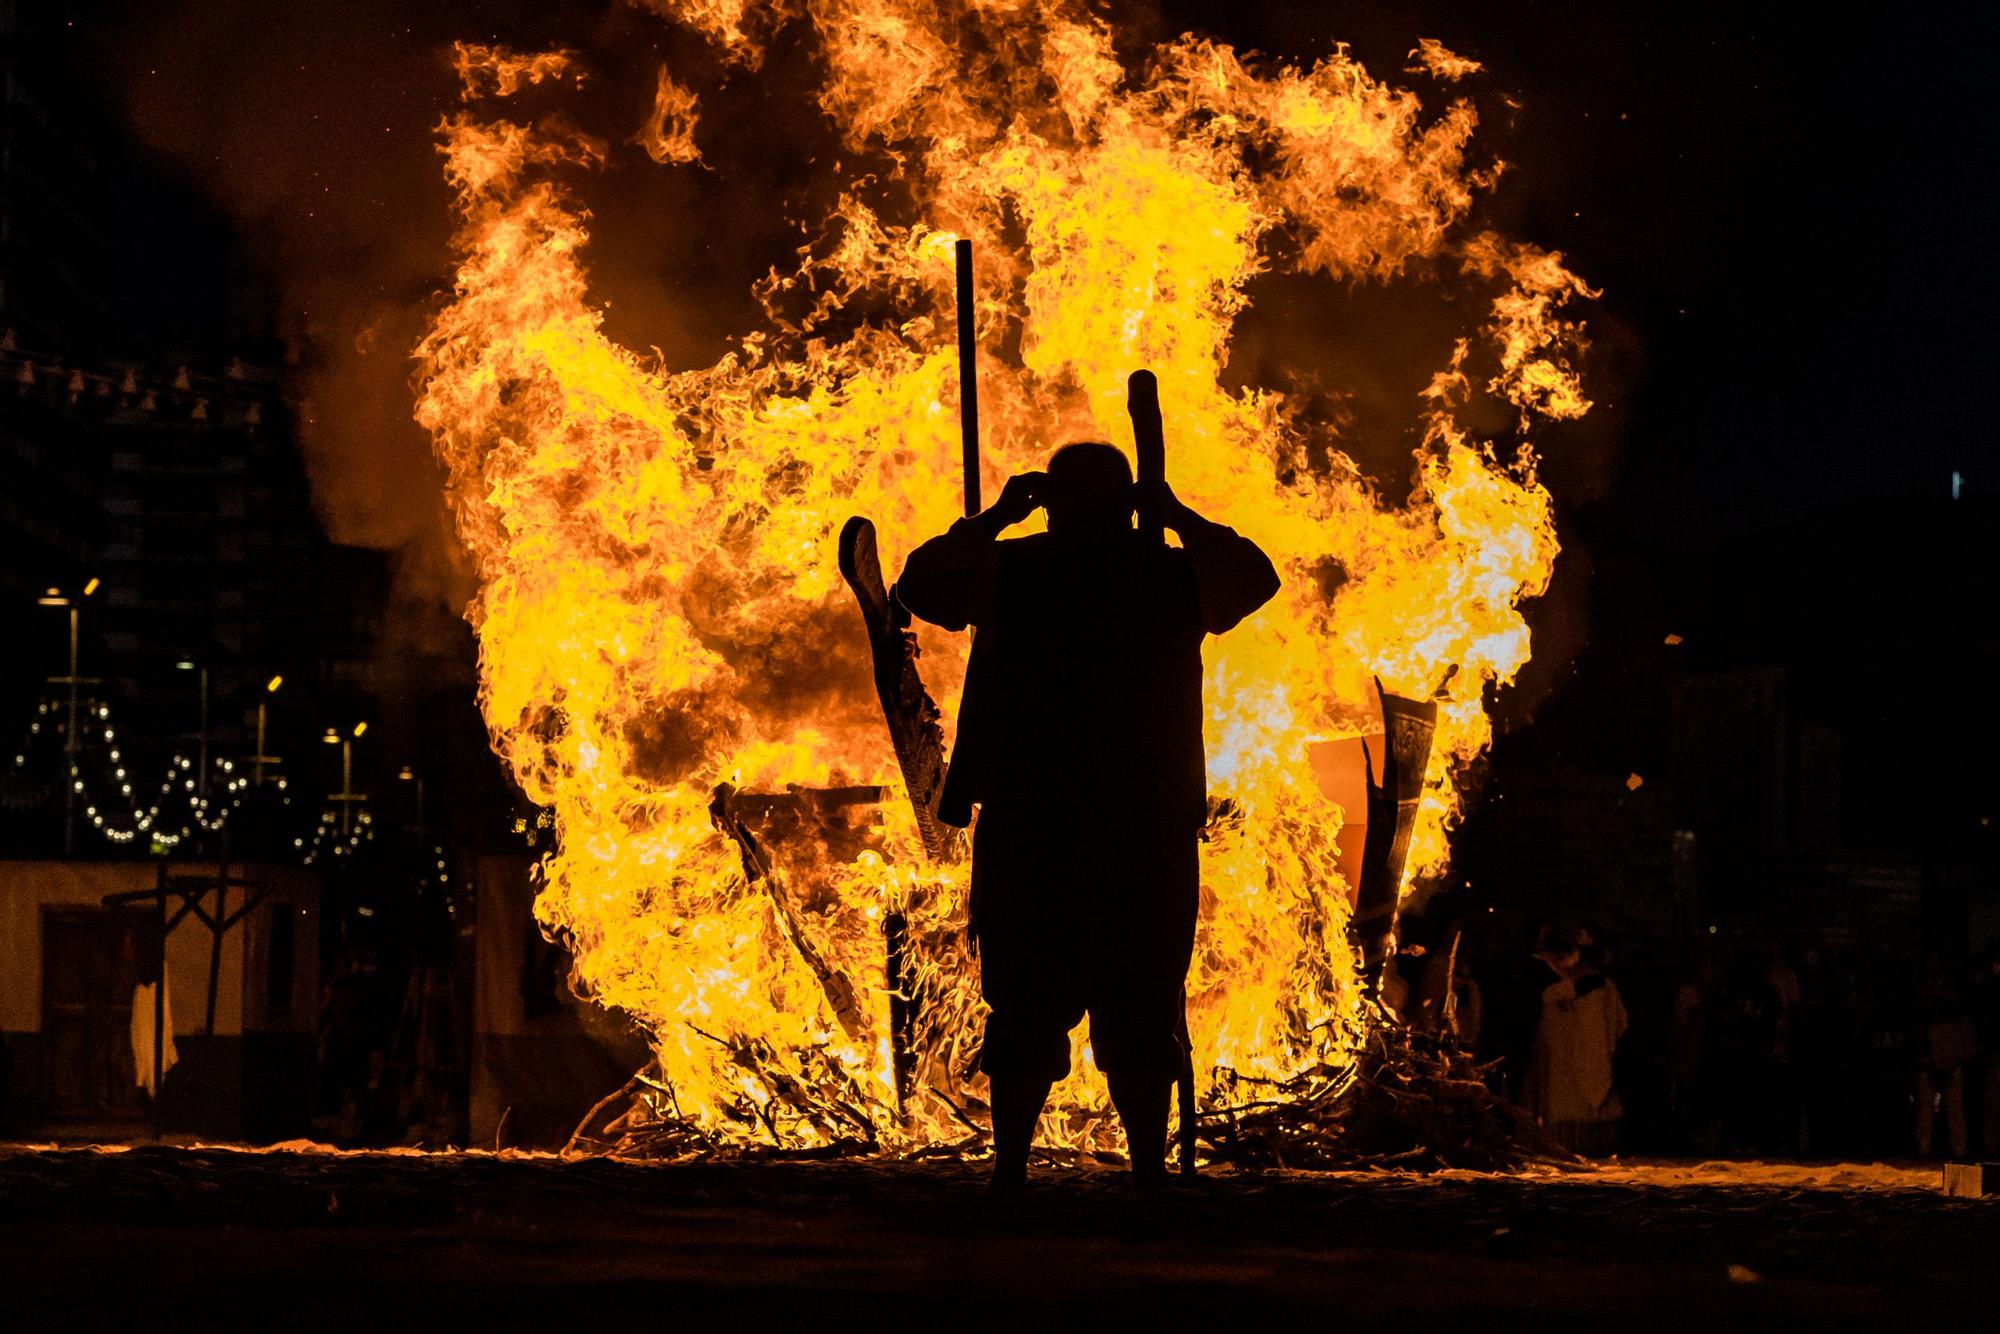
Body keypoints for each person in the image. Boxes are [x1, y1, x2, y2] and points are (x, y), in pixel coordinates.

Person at [898, 441, 1279, 1188]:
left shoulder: (1011, 570)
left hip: (1040, 822)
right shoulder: (1169, 575)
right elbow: (1253, 578)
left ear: (1054, 501)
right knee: (1135, 1000)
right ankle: (1141, 1174)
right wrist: (1173, 514)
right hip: (1135, 825)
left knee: (1031, 1002)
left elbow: (922, 586)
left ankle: (1014, 1171)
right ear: (1126, 501)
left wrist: (997, 518)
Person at [1527, 926, 1629, 1156]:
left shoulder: (1592, 990)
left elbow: (1614, 1026)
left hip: (1583, 1079)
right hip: (1566, 1079)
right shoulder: (1559, 992)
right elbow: (1620, 1025)